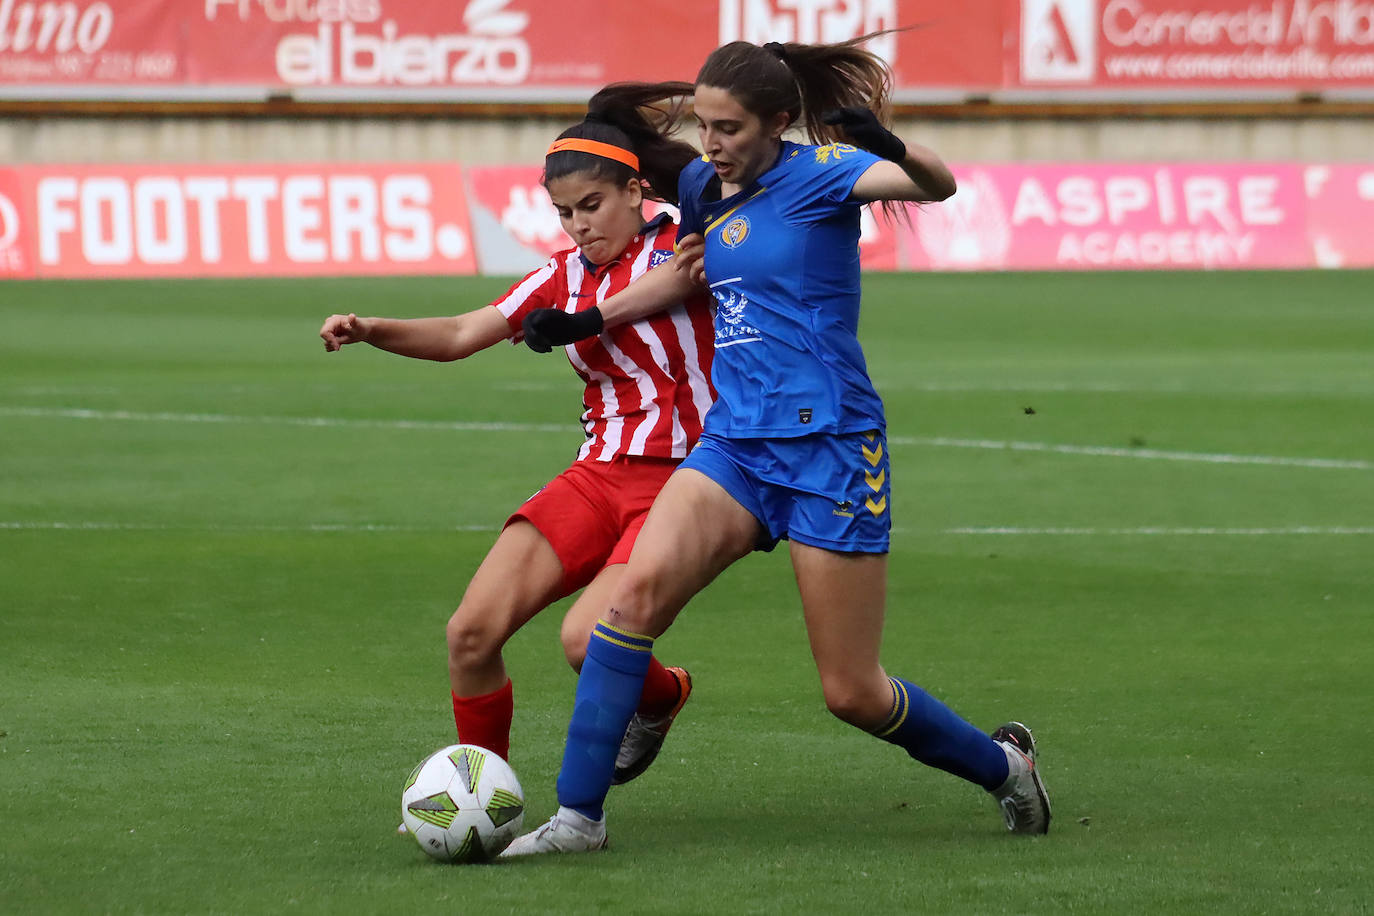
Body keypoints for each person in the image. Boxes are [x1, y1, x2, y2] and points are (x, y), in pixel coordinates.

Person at [503, 37, 1051, 856]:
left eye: (728, 128)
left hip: (830, 448)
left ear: (779, 122)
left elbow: (938, 184)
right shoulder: (699, 185)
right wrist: (590, 320)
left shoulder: (827, 175)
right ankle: (579, 819)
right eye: (704, 123)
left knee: (852, 692)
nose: (711, 143)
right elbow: (686, 274)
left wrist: (890, 145)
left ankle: (1004, 768)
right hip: (734, 445)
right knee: (628, 608)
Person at [318, 83, 715, 790]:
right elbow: (462, 333)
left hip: (684, 480)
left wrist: (592, 316)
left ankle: (662, 696)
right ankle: (484, 794)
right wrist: (372, 328)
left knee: (588, 640)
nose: (578, 227)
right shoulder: (559, 276)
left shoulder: (686, 242)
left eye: (591, 207)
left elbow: (681, 285)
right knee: (469, 635)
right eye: (564, 213)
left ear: (635, 191)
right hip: (597, 475)